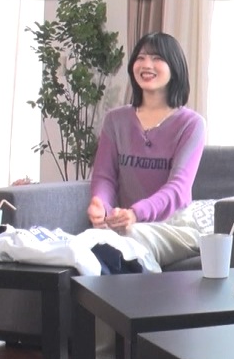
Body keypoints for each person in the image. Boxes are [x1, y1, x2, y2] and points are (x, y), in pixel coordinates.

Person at [87, 31, 207, 267]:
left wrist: (136, 213)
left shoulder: (192, 124)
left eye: (157, 58)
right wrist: (101, 205)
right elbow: (104, 177)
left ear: (175, 67)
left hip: (174, 227)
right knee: (100, 238)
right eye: (140, 58)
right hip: (123, 222)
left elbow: (179, 188)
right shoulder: (115, 120)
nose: (146, 65)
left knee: (128, 237)